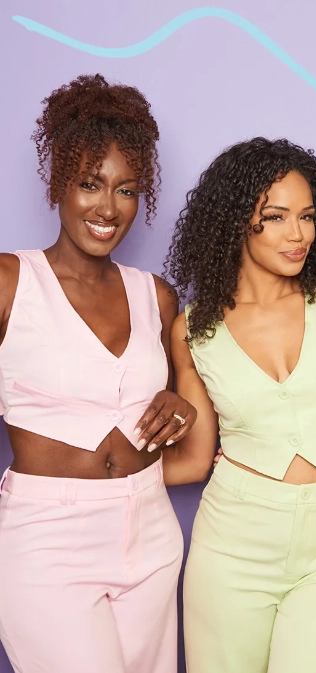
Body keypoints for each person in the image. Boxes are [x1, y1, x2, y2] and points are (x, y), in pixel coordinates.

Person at [160, 137, 316, 673]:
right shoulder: (194, 330)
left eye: (306, 217)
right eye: (277, 217)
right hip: (234, 543)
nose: (297, 234)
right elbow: (195, 459)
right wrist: (98, 472)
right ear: (238, 221)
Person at [0, 73, 196, 673]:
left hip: (151, 529)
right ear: (59, 182)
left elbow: (188, 404)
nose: (108, 208)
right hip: (47, 537)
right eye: (90, 184)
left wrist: (180, 403)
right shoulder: (11, 282)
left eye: (128, 190)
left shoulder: (155, 296)